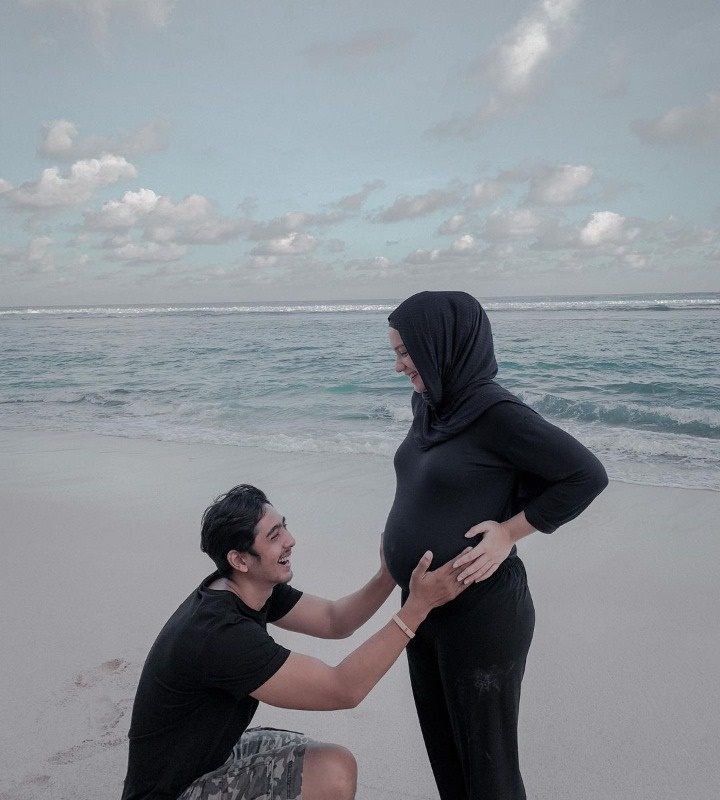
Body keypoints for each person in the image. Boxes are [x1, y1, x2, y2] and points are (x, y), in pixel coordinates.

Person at [383, 291, 608, 800]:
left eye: (406, 352)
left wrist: (509, 532)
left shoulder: (496, 414)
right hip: (421, 607)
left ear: (442, 345)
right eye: (395, 352)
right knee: (446, 758)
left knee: (489, 770)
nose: (398, 366)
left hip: (480, 612)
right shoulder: (431, 406)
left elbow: (585, 475)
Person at [121, 483, 470, 800]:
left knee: (312, 754)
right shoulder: (220, 634)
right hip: (175, 791)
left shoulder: (249, 587)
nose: (290, 540)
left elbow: (334, 620)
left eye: (283, 526)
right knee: (332, 772)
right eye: (274, 536)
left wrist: (387, 574)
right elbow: (343, 689)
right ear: (239, 559)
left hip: (212, 758)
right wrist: (418, 607)